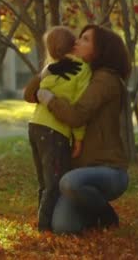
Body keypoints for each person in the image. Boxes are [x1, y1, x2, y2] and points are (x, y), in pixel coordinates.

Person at [23, 24, 131, 234]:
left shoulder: (105, 80)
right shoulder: (73, 69)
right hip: (79, 171)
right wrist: (46, 72)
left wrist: (50, 99)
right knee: (64, 227)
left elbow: (76, 115)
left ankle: (105, 214)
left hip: (108, 170)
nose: (77, 42)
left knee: (69, 183)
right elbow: (29, 95)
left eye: (85, 39)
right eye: (78, 37)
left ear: (101, 49)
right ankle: (89, 214)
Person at [27, 26, 92, 232]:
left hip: (35, 126)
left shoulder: (51, 69)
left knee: (44, 183)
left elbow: (30, 94)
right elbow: (79, 107)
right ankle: (44, 229)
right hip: (55, 131)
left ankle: (42, 221)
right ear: (73, 43)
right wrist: (79, 139)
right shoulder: (81, 69)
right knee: (54, 184)